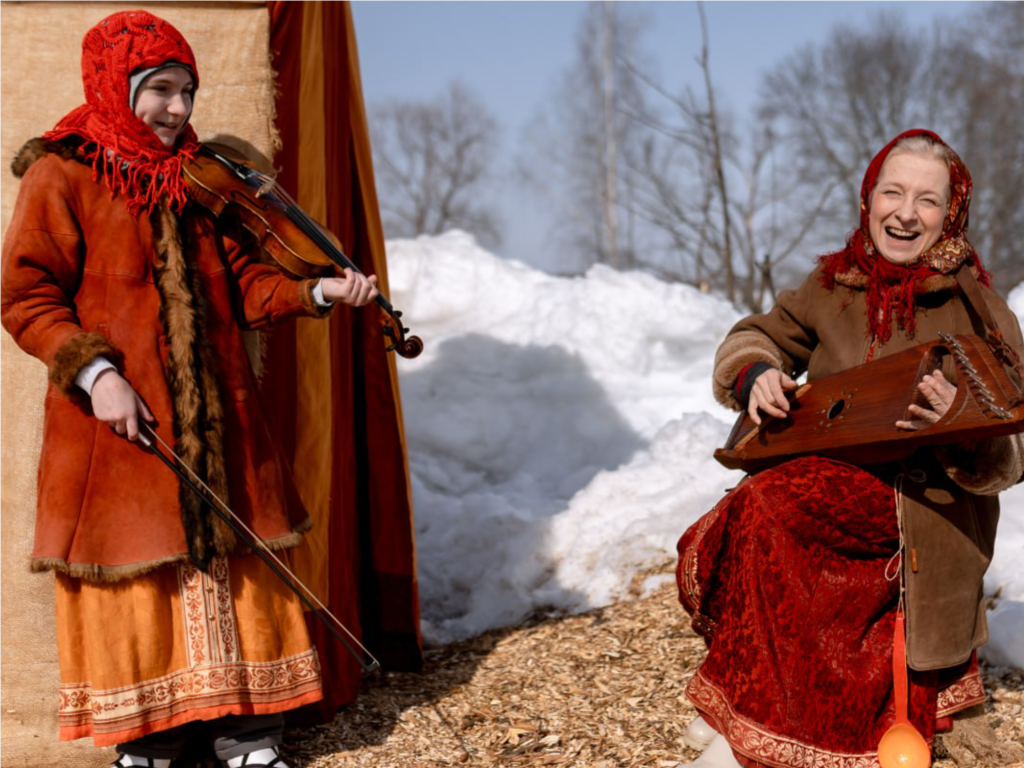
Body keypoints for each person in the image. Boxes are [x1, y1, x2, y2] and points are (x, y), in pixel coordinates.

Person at [0, 11, 379, 768]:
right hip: (116, 426)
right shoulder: (62, 172)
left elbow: (244, 286)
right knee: (137, 573)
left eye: (186, 92)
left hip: (222, 422)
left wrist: (318, 294)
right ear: (116, 86)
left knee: (235, 572)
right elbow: (25, 296)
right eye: (160, 90)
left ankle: (247, 737)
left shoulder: (199, 180)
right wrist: (96, 374)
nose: (177, 110)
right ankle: (150, 740)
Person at [676, 129, 1024, 768]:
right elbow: (757, 335)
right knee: (751, 511)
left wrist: (962, 423)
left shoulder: (977, 307)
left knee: (767, 507)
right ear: (867, 201)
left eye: (926, 199)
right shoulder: (833, 284)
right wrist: (758, 373)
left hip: (919, 502)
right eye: (892, 192)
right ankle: (752, 705)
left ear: (951, 214)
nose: (904, 212)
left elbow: (1015, 441)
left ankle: (781, 727)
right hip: (825, 465)